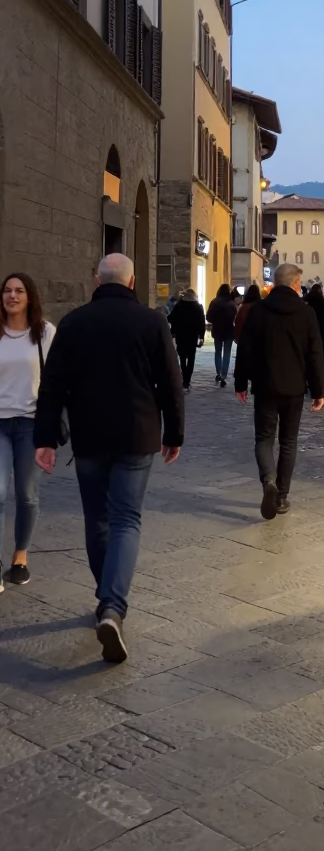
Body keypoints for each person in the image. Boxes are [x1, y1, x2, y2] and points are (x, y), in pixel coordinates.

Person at [34, 255, 184, 663]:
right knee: (126, 520)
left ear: (96, 280)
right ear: (132, 280)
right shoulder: (152, 321)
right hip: (137, 433)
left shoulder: (74, 322)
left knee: (97, 519)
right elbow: (172, 382)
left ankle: (108, 600)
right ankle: (113, 607)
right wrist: (175, 434)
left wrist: (45, 438)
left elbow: (52, 386)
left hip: (89, 434)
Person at [234, 262, 324, 520]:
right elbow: (315, 354)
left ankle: (268, 482)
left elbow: (245, 348)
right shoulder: (306, 313)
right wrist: (318, 390)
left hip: (264, 385)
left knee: (264, 438)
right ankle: (282, 496)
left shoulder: (258, 311)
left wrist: (241, 383)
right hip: (294, 387)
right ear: (295, 283)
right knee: (288, 441)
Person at [0, 273, 55, 591]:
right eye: (7, 290)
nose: (12, 295)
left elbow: (56, 381)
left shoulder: (44, 333)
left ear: (30, 297)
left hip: (30, 425)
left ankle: (20, 557)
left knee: (26, 495)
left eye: (19, 291)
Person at [168, 288, 206, 391]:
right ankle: (187, 380)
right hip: (192, 336)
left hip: (181, 335)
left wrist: (173, 331)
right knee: (191, 357)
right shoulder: (198, 307)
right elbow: (202, 323)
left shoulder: (179, 306)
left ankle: (184, 377)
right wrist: (201, 337)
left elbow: (171, 318)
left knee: (182, 357)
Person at [206, 283, 237, 387]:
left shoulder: (214, 302)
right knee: (227, 353)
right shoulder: (232, 304)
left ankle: (218, 373)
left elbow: (209, 317)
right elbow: (235, 317)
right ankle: (224, 375)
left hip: (217, 330)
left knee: (218, 352)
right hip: (229, 331)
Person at [306, 283, 324, 385]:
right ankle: (322, 378)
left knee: (309, 357)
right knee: (323, 357)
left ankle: (310, 379)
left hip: (309, 334)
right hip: (323, 335)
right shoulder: (323, 304)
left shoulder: (307, 303)